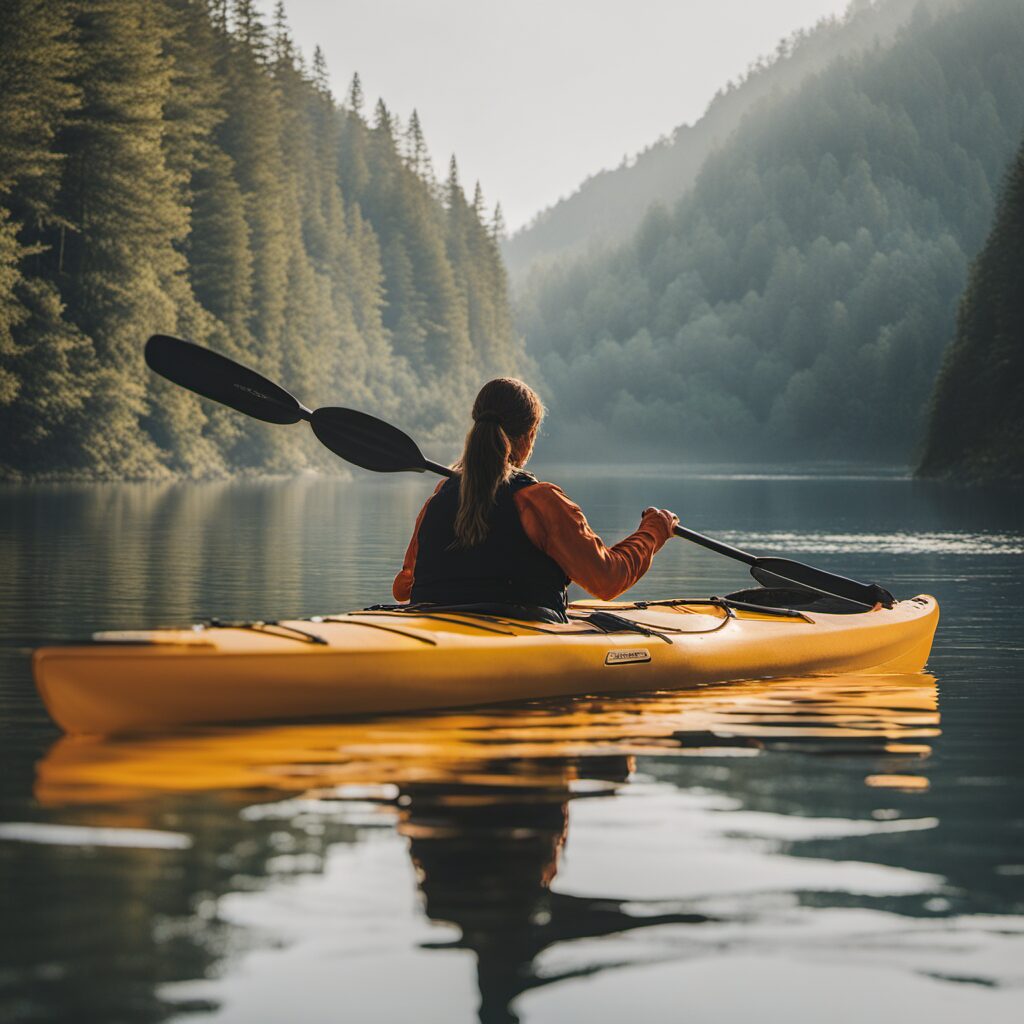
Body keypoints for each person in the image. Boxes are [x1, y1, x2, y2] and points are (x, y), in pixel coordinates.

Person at [393, 378, 679, 621]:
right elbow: (608, 580)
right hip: (518, 632)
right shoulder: (539, 502)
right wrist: (652, 532)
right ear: (529, 436)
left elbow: (403, 588)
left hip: (435, 629)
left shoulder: (440, 496)